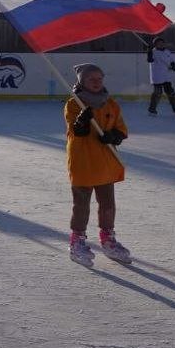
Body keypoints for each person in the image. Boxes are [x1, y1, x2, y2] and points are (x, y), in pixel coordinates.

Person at [65, 63, 131, 266]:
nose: (96, 82)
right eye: (91, 79)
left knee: (108, 205)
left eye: (99, 78)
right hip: (83, 162)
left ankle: (108, 238)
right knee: (81, 205)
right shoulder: (74, 103)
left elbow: (121, 129)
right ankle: (77, 240)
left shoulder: (110, 104)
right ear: (82, 82)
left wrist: (113, 136)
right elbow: (77, 132)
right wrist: (82, 122)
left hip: (105, 163)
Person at [146, 37, 175, 116]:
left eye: (162, 43)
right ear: (155, 44)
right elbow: (149, 60)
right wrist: (149, 51)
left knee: (171, 93)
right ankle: (152, 110)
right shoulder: (153, 52)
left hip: (166, 76)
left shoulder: (167, 52)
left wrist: (173, 65)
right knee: (157, 93)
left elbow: (171, 60)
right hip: (157, 76)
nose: (161, 44)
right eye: (158, 43)